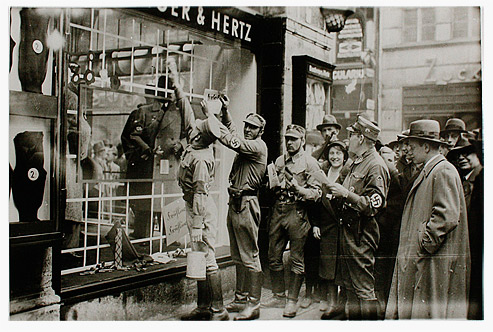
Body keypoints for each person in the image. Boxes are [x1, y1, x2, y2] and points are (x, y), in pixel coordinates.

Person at [385, 120, 470, 319]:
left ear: (426, 146)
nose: (407, 151)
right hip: (427, 260)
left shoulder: (443, 171)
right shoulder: (432, 169)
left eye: (412, 146)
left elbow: (446, 216)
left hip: (433, 262)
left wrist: (423, 244)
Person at [166, 63, 228, 321]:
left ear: (203, 138)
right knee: (200, 257)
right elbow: (186, 110)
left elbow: (201, 194)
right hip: (194, 206)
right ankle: (205, 308)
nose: (193, 130)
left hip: (200, 210)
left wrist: (198, 225)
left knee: (208, 257)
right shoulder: (198, 138)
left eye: (198, 131)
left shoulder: (202, 159)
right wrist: (176, 82)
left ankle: (217, 309)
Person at [203, 95, 268, 320]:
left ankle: (254, 304)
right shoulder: (249, 143)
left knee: (250, 255)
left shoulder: (257, 147)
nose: (248, 130)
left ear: (260, 131)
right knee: (238, 255)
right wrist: (226, 111)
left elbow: (233, 141)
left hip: (247, 203)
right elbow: (234, 134)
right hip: (237, 202)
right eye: (247, 126)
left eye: (253, 128)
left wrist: (211, 118)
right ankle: (241, 298)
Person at [325, 115, 390, 320]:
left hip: (361, 235)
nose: (348, 139)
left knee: (363, 289)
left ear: (361, 138)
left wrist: (345, 194)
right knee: (349, 287)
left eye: (351, 135)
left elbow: (373, 206)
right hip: (348, 232)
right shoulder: (355, 162)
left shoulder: (375, 165)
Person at [262, 124, 322, 318]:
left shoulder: (310, 163)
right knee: (273, 255)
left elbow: (317, 193)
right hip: (279, 210)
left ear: (302, 141)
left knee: (297, 258)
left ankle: (292, 301)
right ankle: (279, 295)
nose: (289, 142)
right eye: (287, 138)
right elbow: (273, 185)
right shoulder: (280, 161)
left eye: (294, 139)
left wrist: (299, 189)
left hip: (297, 212)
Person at [311, 141, 349, 320]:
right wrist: (316, 224)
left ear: (344, 156)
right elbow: (317, 204)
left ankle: (342, 304)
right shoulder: (323, 174)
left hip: (341, 227)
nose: (335, 157)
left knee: (341, 267)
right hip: (326, 227)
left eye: (338, 153)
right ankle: (332, 302)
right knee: (327, 266)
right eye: (331, 153)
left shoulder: (347, 174)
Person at [446, 138, 483, 319]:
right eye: (458, 154)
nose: (462, 158)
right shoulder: (462, 180)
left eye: (467, 152)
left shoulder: (481, 181)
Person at [374, 145, 405, 318]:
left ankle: (383, 308)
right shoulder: (383, 170)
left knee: (384, 271)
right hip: (380, 229)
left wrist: (380, 222)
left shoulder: (392, 174)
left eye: (388, 157)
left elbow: (395, 204)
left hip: (387, 231)